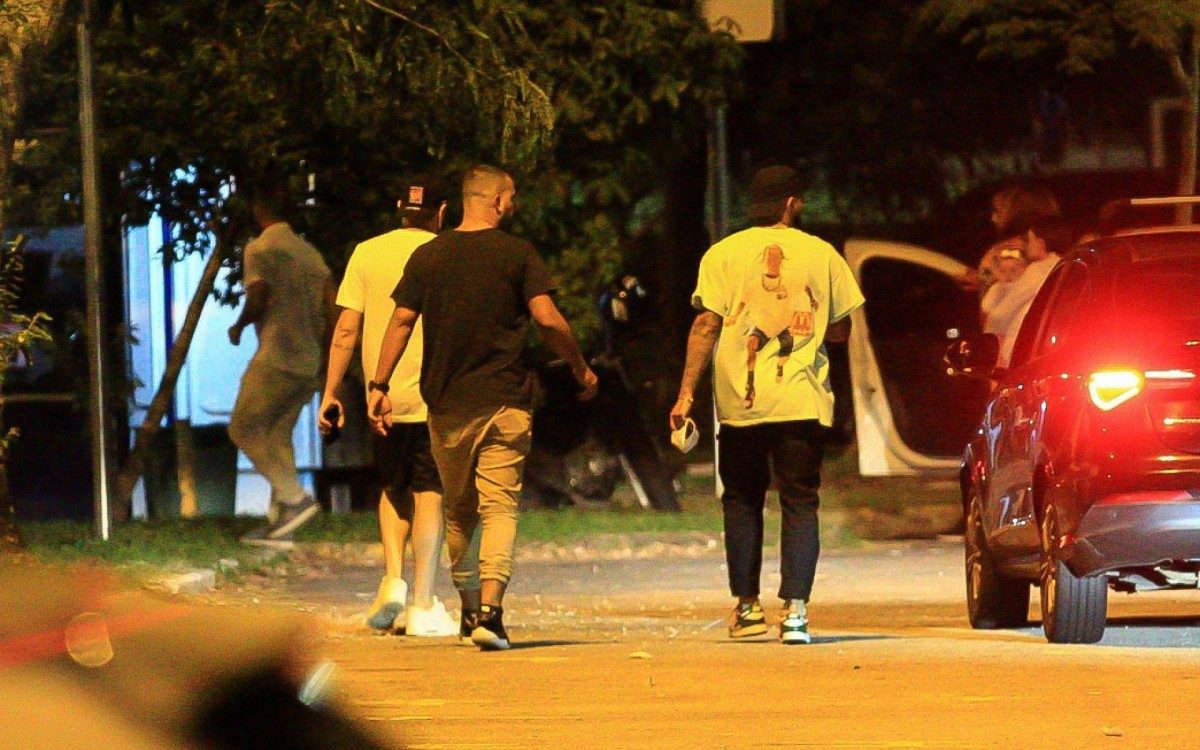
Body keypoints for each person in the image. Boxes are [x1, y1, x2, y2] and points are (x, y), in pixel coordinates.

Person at [367, 164, 598, 651]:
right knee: (500, 506)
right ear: (496, 200)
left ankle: (471, 609)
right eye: (511, 196)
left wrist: (379, 383)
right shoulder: (518, 254)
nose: (512, 205)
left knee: (460, 510)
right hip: (505, 399)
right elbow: (547, 318)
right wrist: (578, 366)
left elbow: (401, 321)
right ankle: (491, 615)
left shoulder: (429, 256)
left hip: (447, 405)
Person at [670, 165, 864, 645]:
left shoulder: (722, 254)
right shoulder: (821, 255)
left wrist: (686, 392)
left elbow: (705, 327)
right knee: (800, 501)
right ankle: (796, 613)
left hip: (740, 403)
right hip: (801, 400)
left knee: (741, 499)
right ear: (792, 204)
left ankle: (747, 607)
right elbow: (840, 330)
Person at [318, 179, 465, 637]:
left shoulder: (366, 252)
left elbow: (346, 329)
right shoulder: (448, 254)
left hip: (380, 396)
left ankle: (393, 580)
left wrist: (331, 391)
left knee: (391, 487)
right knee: (429, 493)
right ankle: (422, 602)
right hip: (433, 393)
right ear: (441, 211)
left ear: (401, 208)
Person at [228, 181, 334, 545]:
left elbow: (258, 295)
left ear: (260, 211)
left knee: (242, 428)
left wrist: (240, 325)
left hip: (276, 356)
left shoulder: (259, 249)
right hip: (308, 362)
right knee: (276, 434)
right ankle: (280, 525)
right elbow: (331, 305)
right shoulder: (310, 254)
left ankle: (295, 499)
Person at [985, 215, 1075, 366]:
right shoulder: (1068, 265)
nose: (1027, 246)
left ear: (1040, 243)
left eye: (1029, 240)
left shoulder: (1039, 270)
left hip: (1022, 353)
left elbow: (1002, 314)